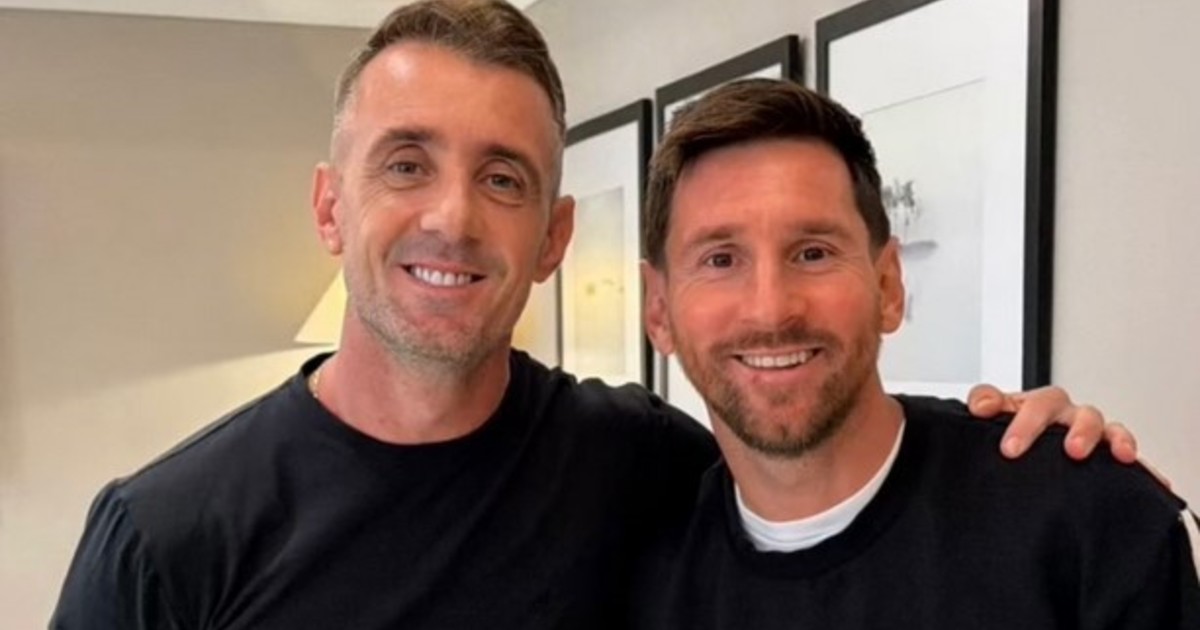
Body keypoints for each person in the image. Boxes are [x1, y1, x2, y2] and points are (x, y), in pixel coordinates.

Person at [51, 2, 1140, 629]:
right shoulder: (166, 539)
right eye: (406, 163)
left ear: (555, 237)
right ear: (332, 206)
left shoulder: (638, 466)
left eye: (504, 178)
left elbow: (815, 466)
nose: (452, 218)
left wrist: (1033, 450)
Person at [634, 77, 1200, 629]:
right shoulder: (635, 570)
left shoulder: (1090, 522)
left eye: (813, 253)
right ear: (658, 311)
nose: (771, 309)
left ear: (888, 286)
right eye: (720, 260)